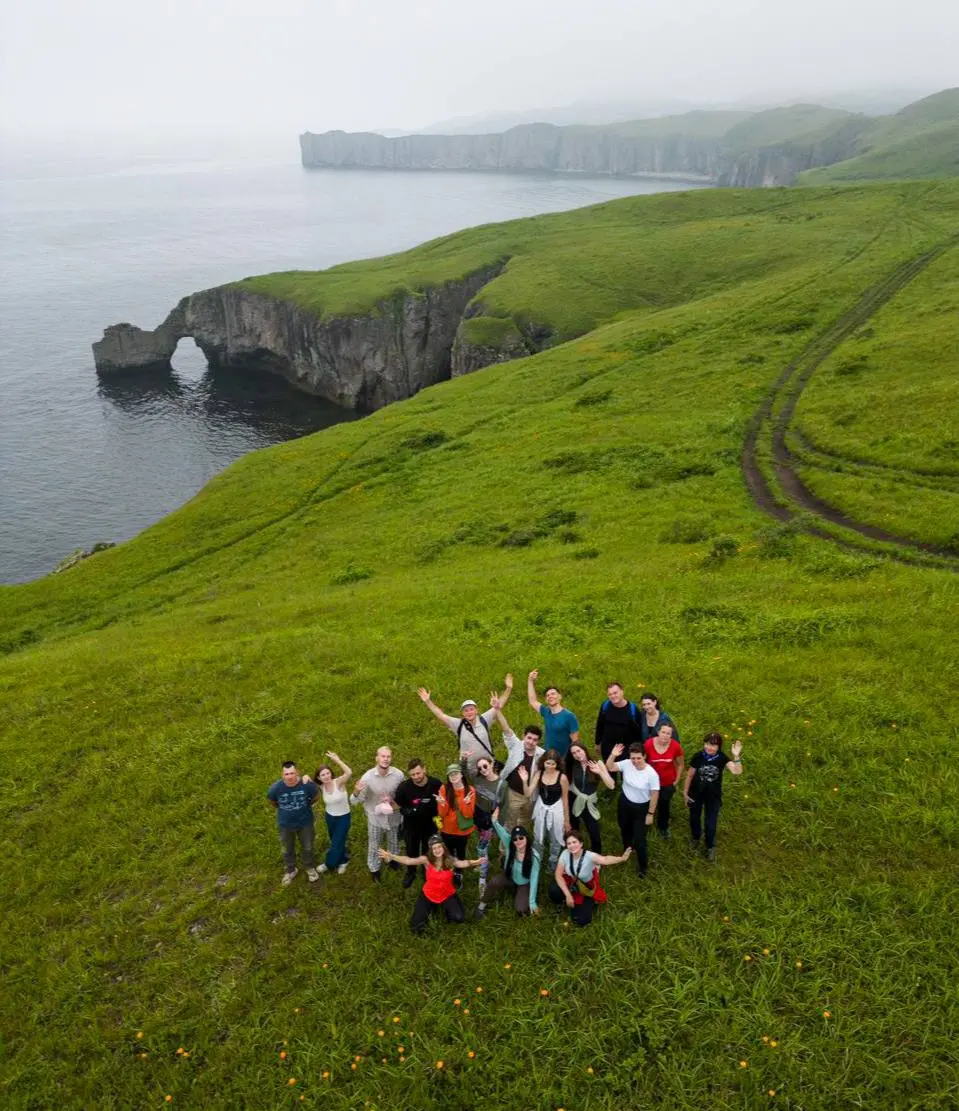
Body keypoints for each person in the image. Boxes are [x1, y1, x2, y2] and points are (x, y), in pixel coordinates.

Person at [416, 675, 514, 778]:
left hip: (489, 767)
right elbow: (440, 715)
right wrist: (428, 701)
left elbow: (498, 706)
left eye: (471, 709)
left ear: (476, 711)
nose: (469, 712)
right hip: (471, 772)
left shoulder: (484, 719)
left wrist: (508, 689)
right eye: (466, 710)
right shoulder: (458, 725)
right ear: (463, 714)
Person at [380, 835, 481, 934]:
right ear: (431, 850)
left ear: (443, 847)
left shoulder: (450, 860)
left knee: (459, 918)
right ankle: (432, 908)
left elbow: (463, 863)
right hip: (429, 894)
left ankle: (442, 908)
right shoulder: (427, 860)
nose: (437, 850)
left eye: (439, 846)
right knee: (416, 927)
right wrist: (391, 856)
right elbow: (409, 861)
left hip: (447, 894)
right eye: (434, 848)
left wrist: (475, 862)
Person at [548, 830, 633, 926]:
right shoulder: (565, 853)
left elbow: (605, 859)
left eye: (574, 842)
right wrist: (568, 895)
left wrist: (622, 858)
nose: (572, 846)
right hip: (571, 884)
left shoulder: (590, 856)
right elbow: (558, 874)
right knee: (553, 890)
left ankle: (590, 903)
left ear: (581, 844)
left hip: (585, 889)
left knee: (581, 921)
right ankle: (564, 901)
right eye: (569, 843)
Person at [684, 732, 743, 861]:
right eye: (707, 744)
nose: (709, 747)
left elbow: (737, 771)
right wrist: (685, 792)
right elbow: (690, 775)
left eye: (713, 745)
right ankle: (695, 837)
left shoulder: (722, 758)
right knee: (694, 819)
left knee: (710, 824)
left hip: (713, 796)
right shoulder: (698, 756)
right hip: (696, 793)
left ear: (719, 747)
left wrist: (736, 756)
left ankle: (710, 846)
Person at [606, 742, 661, 877]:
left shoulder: (651, 774)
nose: (635, 761)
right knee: (624, 827)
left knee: (640, 840)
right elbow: (610, 767)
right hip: (625, 803)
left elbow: (654, 794)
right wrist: (613, 755)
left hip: (641, 808)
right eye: (633, 758)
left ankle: (643, 868)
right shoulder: (626, 764)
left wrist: (650, 813)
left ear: (644, 756)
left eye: (638, 758)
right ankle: (628, 848)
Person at [351, 746, 405, 881]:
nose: (386, 759)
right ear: (377, 758)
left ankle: (392, 860)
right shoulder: (367, 778)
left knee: (393, 841)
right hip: (375, 818)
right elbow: (354, 802)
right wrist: (356, 791)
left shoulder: (398, 775)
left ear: (391, 758)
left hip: (394, 816)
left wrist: (396, 803)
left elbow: (404, 795)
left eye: (388, 756)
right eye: (383, 756)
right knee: (375, 843)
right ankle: (374, 868)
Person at [474, 810, 541, 918]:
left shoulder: (534, 857)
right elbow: (501, 832)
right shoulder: (510, 844)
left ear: (526, 838)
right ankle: (481, 906)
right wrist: (494, 820)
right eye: (515, 839)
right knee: (494, 882)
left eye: (521, 838)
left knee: (521, 909)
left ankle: (521, 894)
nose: (518, 841)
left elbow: (534, 879)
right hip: (509, 876)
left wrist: (532, 902)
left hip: (524, 882)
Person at [490, 698, 543, 831]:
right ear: (524, 736)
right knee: (509, 822)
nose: (531, 742)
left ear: (538, 742)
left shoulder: (542, 754)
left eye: (535, 740)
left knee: (525, 821)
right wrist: (497, 710)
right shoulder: (516, 745)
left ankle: (520, 842)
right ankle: (505, 850)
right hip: (513, 794)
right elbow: (506, 729)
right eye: (529, 738)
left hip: (530, 796)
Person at [266, 761, 319, 885]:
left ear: (297, 773)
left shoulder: (307, 785)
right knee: (287, 848)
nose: (289, 776)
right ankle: (291, 869)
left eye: (292, 773)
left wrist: (306, 805)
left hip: (305, 823)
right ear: (282, 775)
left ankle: (309, 867)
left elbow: (316, 796)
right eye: (287, 774)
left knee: (308, 846)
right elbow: (272, 801)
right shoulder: (276, 788)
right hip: (285, 824)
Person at [394, 759, 443, 889]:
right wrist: (406, 810)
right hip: (411, 827)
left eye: (418, 773)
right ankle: (411, 873)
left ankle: (426, 872)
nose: (416, 777)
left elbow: (443, 802)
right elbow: (398, 805)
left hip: (430, 826)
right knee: (411, 851)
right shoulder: (404, 787)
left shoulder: (436, 784)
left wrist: (440, 821)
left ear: (424, 769)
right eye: (413, 775)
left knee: (428, 851)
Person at [460, 751, 502, 895]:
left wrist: (497, 823)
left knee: (481, 847)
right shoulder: (478, 780)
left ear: (491, 764)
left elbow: (502, 804)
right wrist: (464, 760)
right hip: (478, 817)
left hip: (489, 821)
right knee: (482, 843)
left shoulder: (500, 783)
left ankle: (482, 878)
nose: (483, 770)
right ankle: (484, 862)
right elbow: (464, 774)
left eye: (485, 766)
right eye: (480, 768)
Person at [566, 742, 614, 853]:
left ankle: (597, 856)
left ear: (584, 749)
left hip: (589, 802)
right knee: (574, 828)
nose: (577, 755)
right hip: (574, 799)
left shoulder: (597, 763)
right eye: (574, 753)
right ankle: (575, 851)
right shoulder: (572, 765)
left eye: (579, 751)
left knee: (594, 831)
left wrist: (600, 772)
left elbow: (611, 785)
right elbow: (568, 784)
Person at [526, 749, 570, 869]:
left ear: (557, 764)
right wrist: (525, 781)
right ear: (543, 762)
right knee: (538, 835)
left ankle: (553, 859)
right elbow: (528, 793)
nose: (550, 766)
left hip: (556, 809)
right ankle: (537, 858)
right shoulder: (539, 774)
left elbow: (565, 800)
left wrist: (567, 822)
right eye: (547, 763)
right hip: (541, 808)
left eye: (553, 764)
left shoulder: (562, 778)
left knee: (556, 837)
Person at [313, 751, 353, 874]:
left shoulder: (338, 782)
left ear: (331, 773)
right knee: (336, 840)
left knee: (336, 843)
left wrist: (337, 760)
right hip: (330, 817)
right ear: (319, 778)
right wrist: (303, 778)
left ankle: (328, 864)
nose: (326, 776)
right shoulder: (321, 787)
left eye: (328, 773)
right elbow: (307, 783)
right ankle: (343, 861)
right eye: (323, 775)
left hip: (343, 817)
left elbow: (349, 772)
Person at [643, 724, 685, 840]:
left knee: (664, 805)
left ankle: (663, 827)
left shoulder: (676, 746)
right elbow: (642, 761)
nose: (665, 735)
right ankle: (646, 824)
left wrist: (676, 780)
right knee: (647, 803)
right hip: (650, 783)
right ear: (658, 732)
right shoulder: (648, 744)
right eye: (663, 732)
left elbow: (681, 764)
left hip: (667, 782)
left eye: (668, 733)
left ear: (671, 735)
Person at [527, 670, 580, 758]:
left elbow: (575, 742)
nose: (550, 696)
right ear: (546, 700)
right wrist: (530, 681)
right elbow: (532, 701)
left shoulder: (569, 716)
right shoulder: (546, 712)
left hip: (564, 758)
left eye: (553, 694)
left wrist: (573, 758)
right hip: (549, 756)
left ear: (560, 697)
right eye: (547, 695)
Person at [436, 764, 477, 879]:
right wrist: (442, 804)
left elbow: (468, 814)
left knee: (460, 852)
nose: (453, 776)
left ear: (461, 774)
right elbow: (442, 814)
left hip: (462, 830)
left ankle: (459, 872)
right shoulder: (444, 789)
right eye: (450, 775)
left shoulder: (470, 790)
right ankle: (449, 869)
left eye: (456, 773)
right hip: (447, 829)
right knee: (448, 851)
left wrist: (466, 803)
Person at [593, 681, 643, 765]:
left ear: (622, 692)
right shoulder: (605, 706)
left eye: (615, 693)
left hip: (626, 749)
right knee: (610, 772)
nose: (613, 696)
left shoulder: (632, 709)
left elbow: (639, 732)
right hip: (608, 747)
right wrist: (597, 743)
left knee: (626, 774)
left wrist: (638, 749)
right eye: (610, 694)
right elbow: (600, 724)